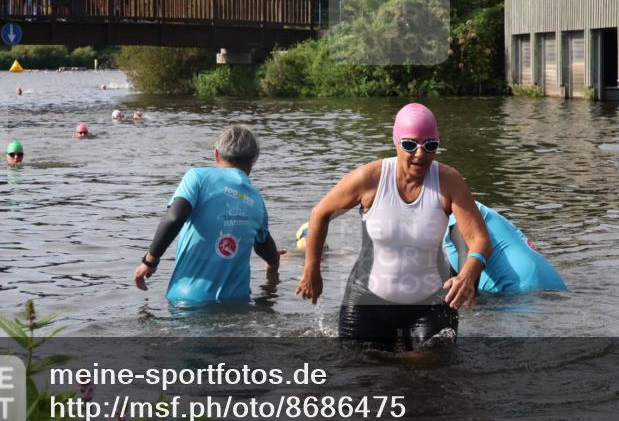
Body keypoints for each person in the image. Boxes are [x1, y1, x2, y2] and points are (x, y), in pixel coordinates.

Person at [295, 103, 491, 351]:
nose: (420, 154)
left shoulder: (449, 181)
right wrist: (312, 269)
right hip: (369, 300)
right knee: (360, 372)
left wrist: (467, 276)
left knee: (433, 375)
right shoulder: (371, 179)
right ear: (396, 142)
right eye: (410, 145)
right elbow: (320, 213)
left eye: (430, 146)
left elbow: (480, 239)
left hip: (431, 300)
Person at [133, 125, 282, 305]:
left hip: (187, 300)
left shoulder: (197, 177)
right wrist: (273, 264)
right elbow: (264, 246)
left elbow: (175, 217)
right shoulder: (256, 199)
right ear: (253, 160)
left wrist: (149, 261)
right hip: (237, 303)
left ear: (216, 154)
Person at [444, 202, 566, 294]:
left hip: (521, 290)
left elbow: (465, 287)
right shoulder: (472, 208)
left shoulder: (458, 216)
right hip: (553, 286)